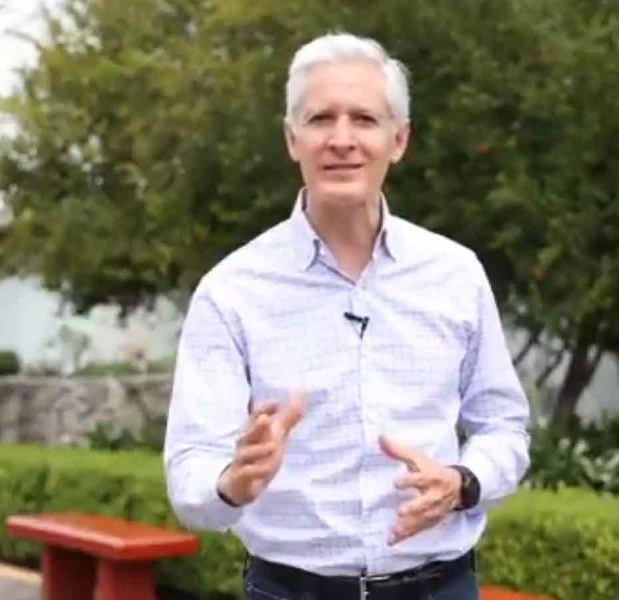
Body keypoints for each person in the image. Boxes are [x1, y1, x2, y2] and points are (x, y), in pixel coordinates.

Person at [164, 32, 530, 600]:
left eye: (364, 119)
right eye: (320, 119)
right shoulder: (231, 292)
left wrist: (463, 482)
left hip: (440, 587)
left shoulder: (455, 274)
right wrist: (234, 482)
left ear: (398, 139)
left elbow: (504, 425)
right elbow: (190, 470)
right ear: (292, 140)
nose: (341, 140)